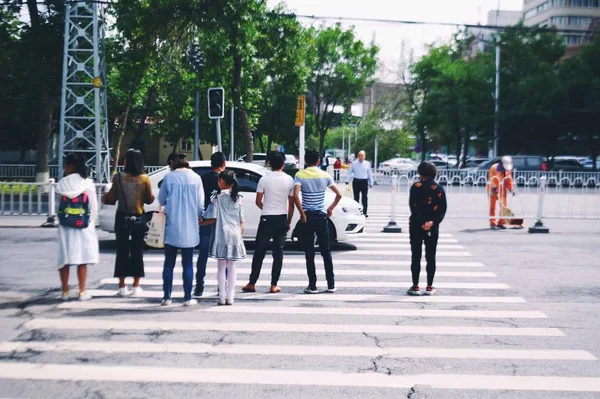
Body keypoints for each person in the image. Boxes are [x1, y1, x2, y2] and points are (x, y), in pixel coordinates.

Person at [103, 149, 154, 297]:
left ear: (128, 161)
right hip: (138, 217)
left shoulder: (118, 177)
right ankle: (136, 286)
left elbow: (112, 198)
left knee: (122, 251)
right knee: (137, 251)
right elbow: (149, 199)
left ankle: (122, 286)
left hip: (121, 217)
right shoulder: (144, 179)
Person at [242, 151, 294, 294]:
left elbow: (258, 201)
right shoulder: (289, 180)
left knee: (259, 251)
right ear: (283, 164)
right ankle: (273, 285)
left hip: (266, 218)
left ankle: (252, 283)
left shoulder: (264, 179)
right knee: (278, 253)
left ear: (270, 164)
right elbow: (291, 204)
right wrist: (289, 220)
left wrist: (266, 209)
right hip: (282, 217)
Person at [293, 148, 343, 294]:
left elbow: (295, 196)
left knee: (309, 252)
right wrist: (330, 208)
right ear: (319, 161)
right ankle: (331, 284)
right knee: (326, 251)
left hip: (308, 217)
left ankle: (313, 285)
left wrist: (302, 213)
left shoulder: (300, 175)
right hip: (321, 217)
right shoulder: (325, 175)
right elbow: (339, 194)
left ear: (305, 160)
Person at [158, 153, 204, 306]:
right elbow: (200, 204)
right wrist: (198, 216)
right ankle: (187, 298)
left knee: (169, 263)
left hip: (172, 224)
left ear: (174, 164)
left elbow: (161, 200)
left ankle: (167, 297)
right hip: (190, 225)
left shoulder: (169, 178)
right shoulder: (196, 178)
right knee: (188, 263)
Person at [56, 154, 99, 301]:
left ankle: (65, 292)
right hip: (83, 226)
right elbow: (93, 207)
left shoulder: (61, 184)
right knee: (82, 259)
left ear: (70, 166)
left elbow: (58, 206)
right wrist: (90, 221)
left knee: (64, 258)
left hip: (65, 226)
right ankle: (82, 291)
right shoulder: (87, 183)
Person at [202, 170, 246, 305]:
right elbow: (241, 219)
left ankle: (222, 297)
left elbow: (211, 217)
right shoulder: (238, 198)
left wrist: (200, 222)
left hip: (221, 235)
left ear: (221, 181)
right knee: (232, 267)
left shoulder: (217, 199)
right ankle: (231, 297)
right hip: (235, 234)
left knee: (221, 267)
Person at [407, 162, 447, 296]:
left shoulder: (415, 187)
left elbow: (413, 207)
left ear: (420, 172)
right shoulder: (439, 188)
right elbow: (442, 210)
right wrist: (432, 222)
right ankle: (429, 286)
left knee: (416, 255)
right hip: (432, 227)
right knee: (431, 256)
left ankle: (416, 285)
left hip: (416, 226)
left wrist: (421, 222)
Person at [194, 151, 226, 297]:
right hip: (221, 220)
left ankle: (199, 286)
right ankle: (222, 286)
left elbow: (199, 199)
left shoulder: (203, 178)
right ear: (223, 164)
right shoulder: (225, 178)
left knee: (203, 254)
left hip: (205, 219)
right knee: (222, 254)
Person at [488, 155, 515, 230]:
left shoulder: (507, 170)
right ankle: (492, 223)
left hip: (502, 189)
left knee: (503, 207)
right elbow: (491, 178)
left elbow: (509, 179)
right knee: (492, 207)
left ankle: (501, 222)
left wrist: (511, 189)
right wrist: (494, 187)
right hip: (492, 189)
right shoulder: (493, 167)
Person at [345, 150, 373, 217]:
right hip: (356, 181)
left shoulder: (367, 163)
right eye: (359, 156)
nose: (360, 157)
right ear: (357, 156)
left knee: (364, 198)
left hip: (364, 181)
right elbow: (350, 172)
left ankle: (365, 212)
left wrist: (371, 182)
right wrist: (347, 180)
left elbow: (369, 173)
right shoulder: (354, 163)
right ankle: (357, 211)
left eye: (362, 156)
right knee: (356, 197)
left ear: (364, 156)